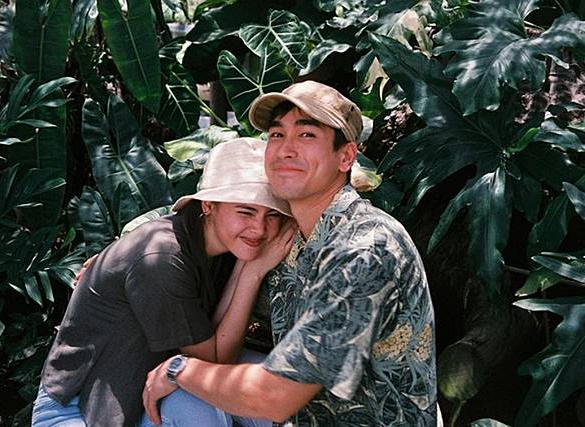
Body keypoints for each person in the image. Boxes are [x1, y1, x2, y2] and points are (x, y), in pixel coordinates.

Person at [141, 80, 438, 426]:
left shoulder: (366, 248)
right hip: (308, 417)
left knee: (183, 390)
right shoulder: (292, 236)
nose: (286, 149)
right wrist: (127, 257)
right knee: (182, 402)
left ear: (346, 157)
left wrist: (179, 369)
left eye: (307, 135)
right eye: (277, 135)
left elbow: (275, 396)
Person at [31, 137, 295, 427]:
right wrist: (252, 272)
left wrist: (246, 265)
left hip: (150, 388)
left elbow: (213, 345)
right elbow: (213, 365)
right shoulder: (161, 259)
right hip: (77, 410)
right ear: (209, 205)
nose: (259, 228)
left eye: (272, 214)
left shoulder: (223, 242)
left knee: (279, 384)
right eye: (245, 211)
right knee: (199, 404)